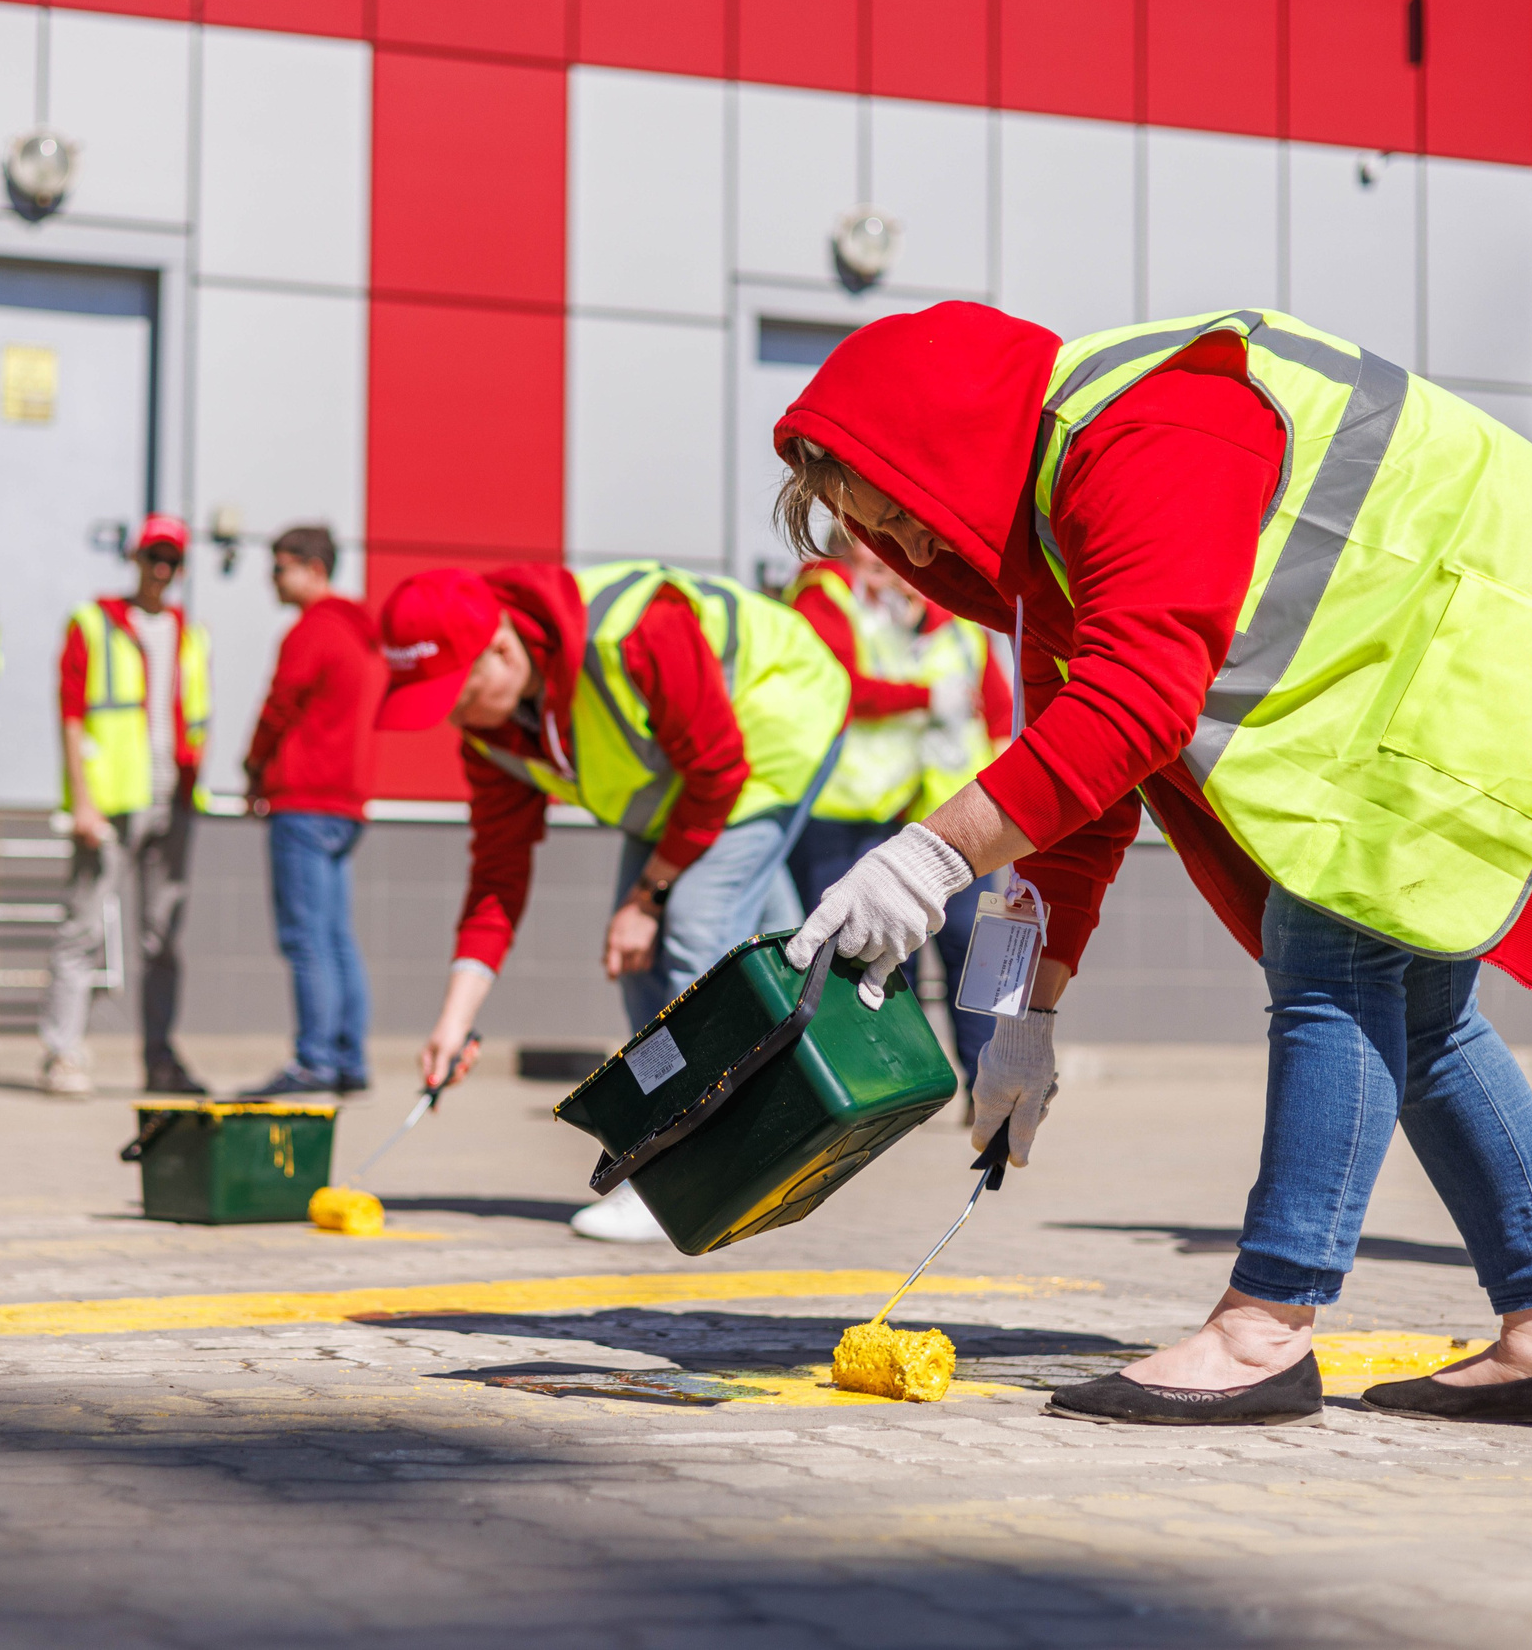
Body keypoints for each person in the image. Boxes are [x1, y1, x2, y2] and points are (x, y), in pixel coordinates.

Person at [777, 298, 1532, 1428]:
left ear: (941, 443)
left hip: (1496, 642)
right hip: (1446, 661)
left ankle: (1264, 1326)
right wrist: (1020, 1020)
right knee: (1424, 1012)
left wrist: (926, 857)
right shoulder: (1048, 538)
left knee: (1331, 955)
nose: (911, 551)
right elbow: (1076, 801)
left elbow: (1133, 707)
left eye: (902, 515)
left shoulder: (1145, 430)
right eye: (881, 537)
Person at [377, 560, 847, 1242]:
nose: (454, 717)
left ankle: (689, 1176)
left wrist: (648, 896)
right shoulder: (494, 734)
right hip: (688, 789)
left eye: (457, 693)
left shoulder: (635, 632)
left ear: (503, 648)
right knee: (747, 951)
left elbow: (719, 771)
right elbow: (497, 878)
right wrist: (454, 1022)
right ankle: (798, 1133)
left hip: (775, 730)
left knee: (687, 935)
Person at [785, 531, 1013, 1085]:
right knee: (881, 958)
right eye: (874, 553)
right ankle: (890, 1079)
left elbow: (1002, 715)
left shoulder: (954, 625)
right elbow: (851, 686)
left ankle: (988, 1082)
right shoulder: (843, 602)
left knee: (973, 956)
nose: (891, 570)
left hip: (968, 823)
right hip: (883, 816)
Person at [42, 516, 214, 1098]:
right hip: (111, 799)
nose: (160, 570)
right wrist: (82, 802)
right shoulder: (93, 622)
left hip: (173, 797)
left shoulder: (193, 635)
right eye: (152, 558)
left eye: (171, 561)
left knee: (161, 938)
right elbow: (69, 712)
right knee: (82, 927)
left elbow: (198, 717)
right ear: (135, 559)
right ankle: (63, 1054)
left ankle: (159, 1057)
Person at [238, 526, 385, 1099]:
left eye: (279, 569)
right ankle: (348, 1058)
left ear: (313, 569)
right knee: (335, 937)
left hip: (302, 801)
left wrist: (253, 767)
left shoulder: (311, 632)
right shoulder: (362, 635)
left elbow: (278, 707)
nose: (272, 580)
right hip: (347, 805)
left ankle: (314, 1061)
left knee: (306, 939)